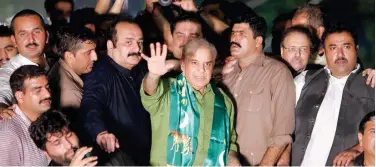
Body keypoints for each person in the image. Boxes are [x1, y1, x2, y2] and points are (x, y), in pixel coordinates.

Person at [140, 39, 239, 166]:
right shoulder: (169, 89)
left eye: (207, 64)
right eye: (194, 63)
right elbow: (150, 92)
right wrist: (153, 75)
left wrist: (232, 159)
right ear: (182, 65)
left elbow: (230, 142)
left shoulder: (224, 100)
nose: (201, 70)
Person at [291, 23, 375, 166]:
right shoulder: (305, 80)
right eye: (333, 48)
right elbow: (279, 126)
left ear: (357, 50)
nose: (340, 54)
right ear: (324, 51)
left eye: (346, 47)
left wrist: (359, 147)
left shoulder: (371, 84)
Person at [222, 14, 295, 166]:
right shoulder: (227, 76)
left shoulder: (277, 73)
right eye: (233, 33)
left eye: (241, 34)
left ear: (258, 41)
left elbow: (283, 131)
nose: (234, 38)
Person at [80, 17, 151, 165]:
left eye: (140, 42)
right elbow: (90, 103)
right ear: (110, 46)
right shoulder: (101, 74)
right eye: (128, 42)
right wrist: (101, 133)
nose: (137, 49)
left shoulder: (140, 68)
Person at [29, 110, 135, 166]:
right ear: (45, 152)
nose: (69, 145)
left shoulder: (110, 154)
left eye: (69, 135)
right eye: (57, 142)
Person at [0, 9, 50, 111]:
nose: (31, 40)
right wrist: (1, 107)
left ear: (47, 36)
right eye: (23, 34)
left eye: (36, 32)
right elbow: (3, 89)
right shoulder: (9, 70)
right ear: (14, 40)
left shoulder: (55, 62)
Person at [0, 65, 50, 166]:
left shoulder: (46, 119)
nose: (48, 94)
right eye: (38, 90)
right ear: (20, 96)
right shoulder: (9, 134)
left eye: (47, 87)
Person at [48, 25, 97, 126]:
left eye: (94, 51)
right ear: (69, 56)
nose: (95, 57)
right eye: (88, 53)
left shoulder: (59, 66)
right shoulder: (71, 94)